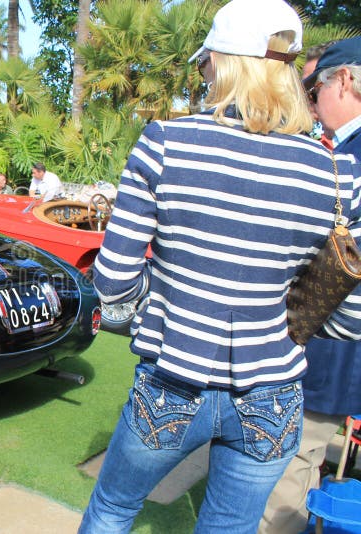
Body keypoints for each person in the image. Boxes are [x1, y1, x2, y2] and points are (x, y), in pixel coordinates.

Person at [78, 1, 361, 532]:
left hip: (172, 379)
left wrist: (154, 316)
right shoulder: (335, 171)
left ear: (226, 62)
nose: (204, 72)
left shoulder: (166, 143)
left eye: (205, 61)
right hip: (274, 395)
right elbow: (352, 316)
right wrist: (286, 329)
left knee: (113, 510)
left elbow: (112, 283)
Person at [260, 36, 361, 534]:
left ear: (345, 80)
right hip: (327, 349)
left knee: (286, 472)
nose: (310, 101)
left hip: (327, 343)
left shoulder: (349, 160)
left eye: (314, 87)